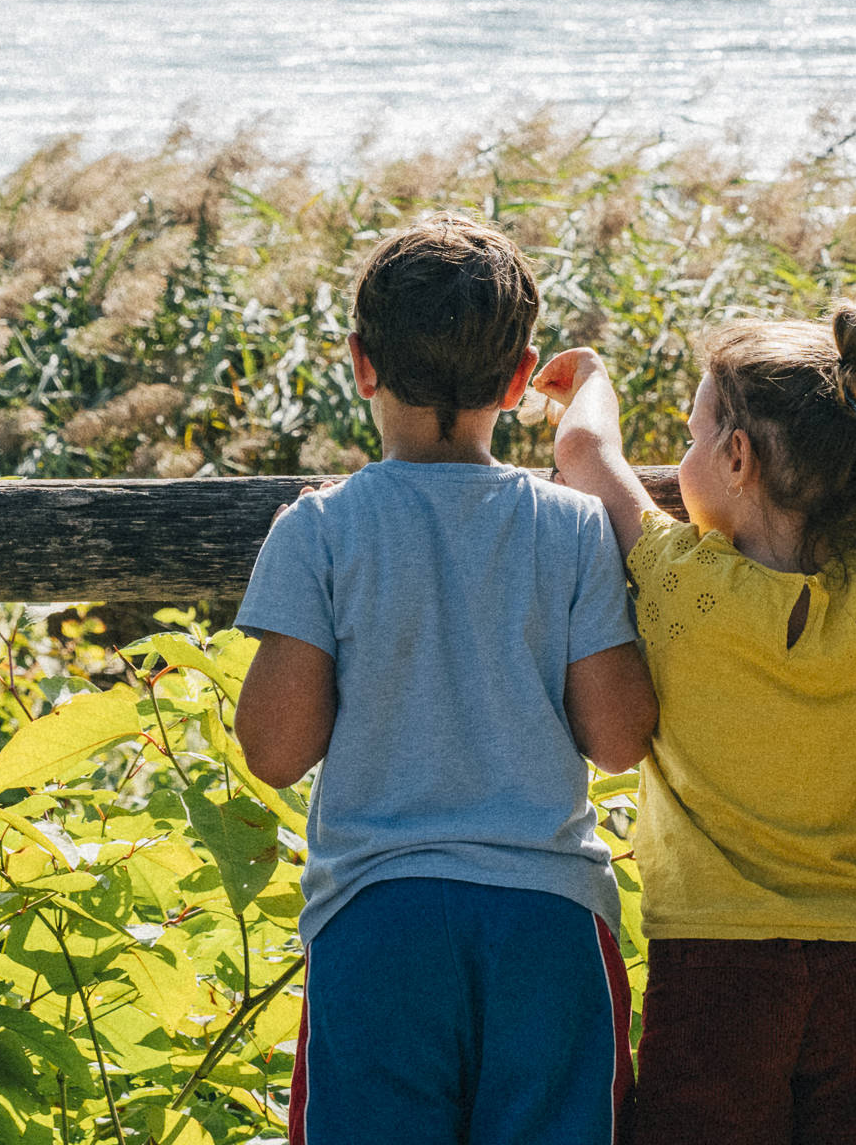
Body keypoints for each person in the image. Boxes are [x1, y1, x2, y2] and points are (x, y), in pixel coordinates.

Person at [233, 211, 661, 1145]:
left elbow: (273, 750)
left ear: (360, 362)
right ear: (518, 379)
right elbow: (622, 740)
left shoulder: (321, 530)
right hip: (546, 925)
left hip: (377, 923)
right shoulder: (574, 529)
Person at [531, 306, 856, 1145]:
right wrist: (852, 453)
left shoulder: (674, 579)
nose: (684, 458)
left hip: (713, 964)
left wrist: (588, 379)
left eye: (693, 440)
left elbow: (585, 454)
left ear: (736, 457)